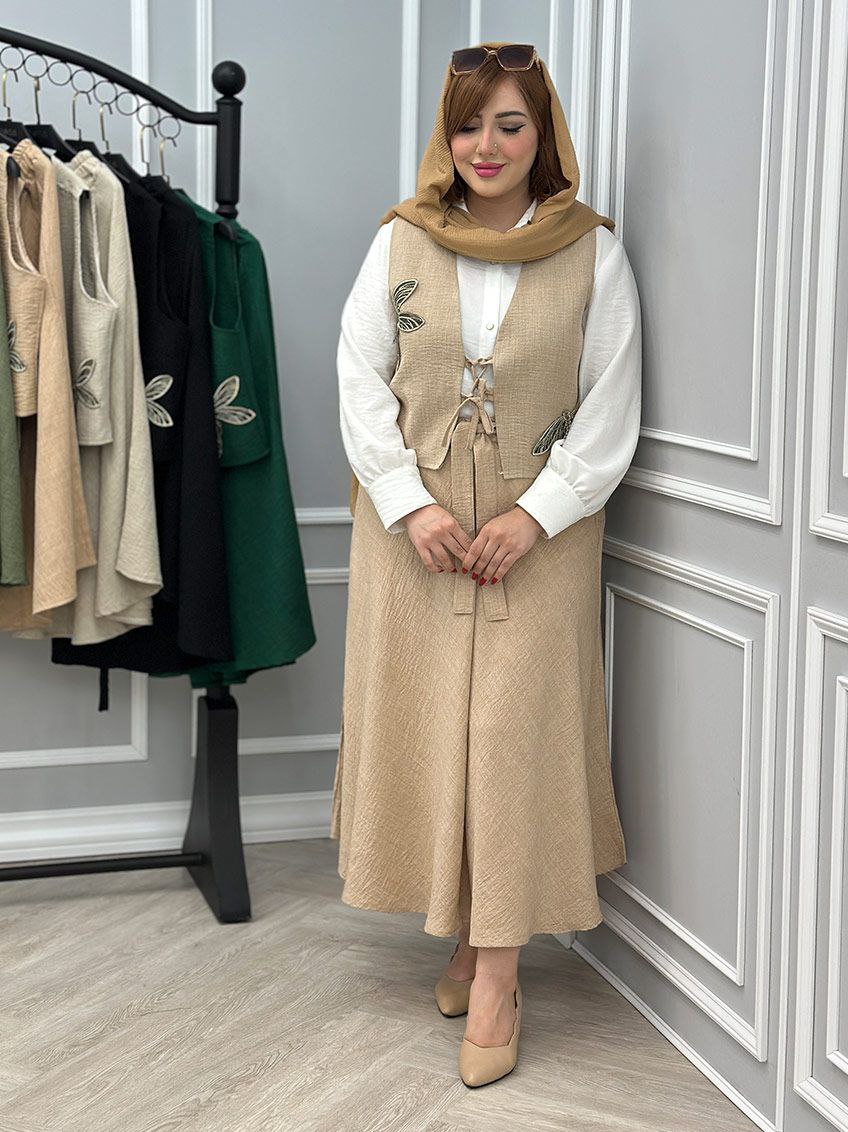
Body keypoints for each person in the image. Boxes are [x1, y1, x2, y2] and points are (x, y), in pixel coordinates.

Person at [331, 41, 642, 1088]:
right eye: (469, 125)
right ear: (446, 135)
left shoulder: (592, 252)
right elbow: (359, 378)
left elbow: (609, 406)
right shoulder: (399, 240)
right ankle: (466, 936)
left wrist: (537, 515)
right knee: (432, 732)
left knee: (511, 742)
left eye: (510, 124)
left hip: (539, 545)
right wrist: (408, 503)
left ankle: (501, 975)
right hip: (412, 540)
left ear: (541, 134)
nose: (487, 145)